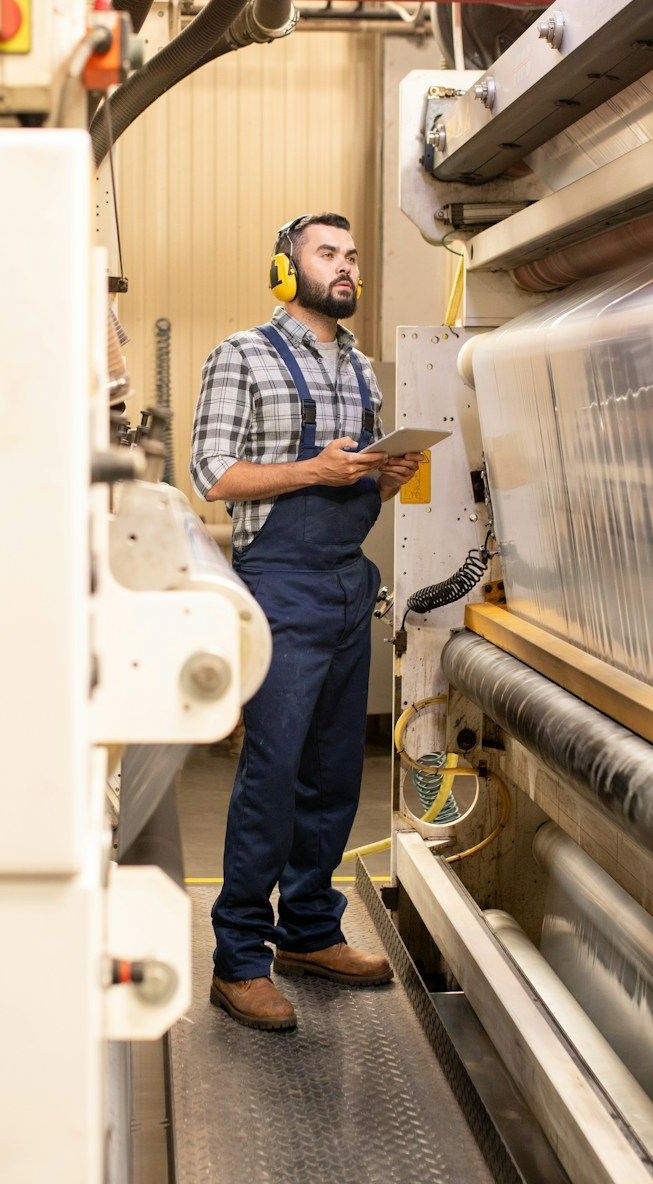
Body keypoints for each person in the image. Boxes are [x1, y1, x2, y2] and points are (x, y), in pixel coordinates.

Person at [188, 212, 423, 1032]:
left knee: (334, 773)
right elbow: (213, 475)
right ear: (287, 271)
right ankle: (240, 958)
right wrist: (316, 470)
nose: (347, 266)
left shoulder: (360, 369)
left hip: (348, 583)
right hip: (280, 584)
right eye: (329, 253)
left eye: (352, 254)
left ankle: (311, 931)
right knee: (273, 776)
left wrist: (385, 475)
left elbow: (358, 489)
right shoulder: (242, 355)